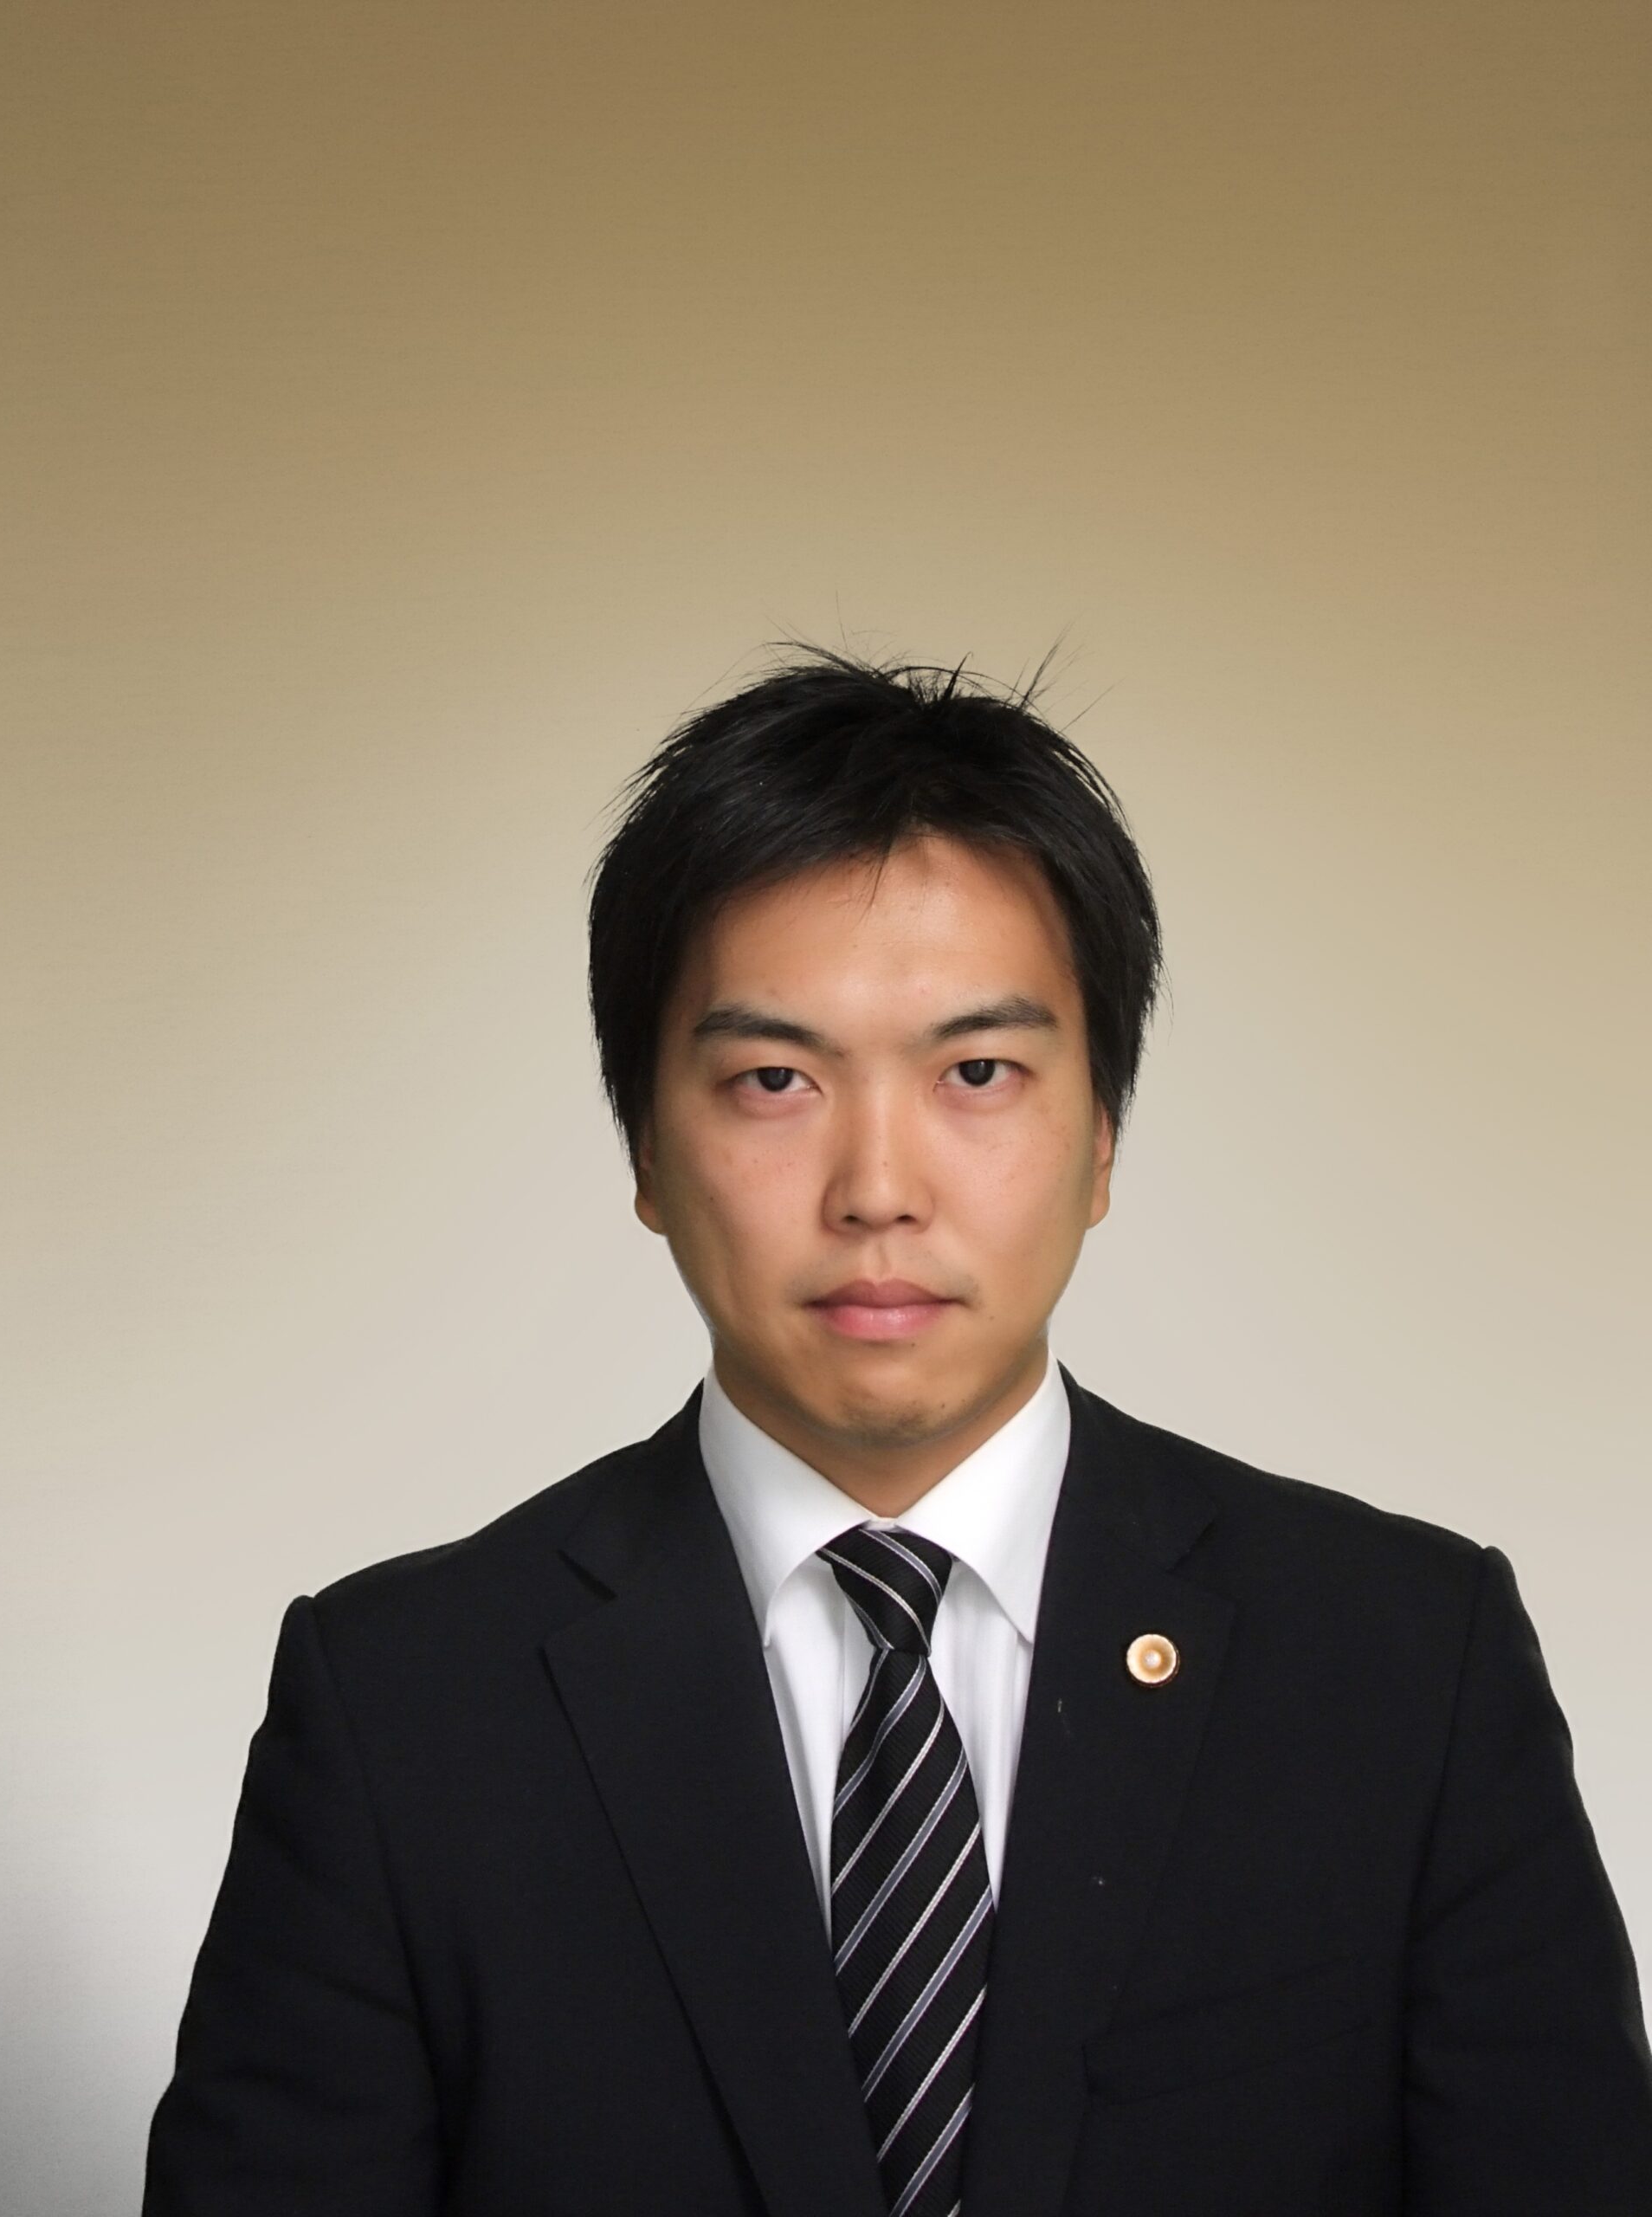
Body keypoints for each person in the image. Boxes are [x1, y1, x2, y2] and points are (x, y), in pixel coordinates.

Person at [142, 648, 1652, 2216]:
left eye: (979, 1071)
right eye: (775, 1078)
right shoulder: (403, 1705)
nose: (878, 1188)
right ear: (647, 1147)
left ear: (1104, 1137)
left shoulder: (1405, 1662)